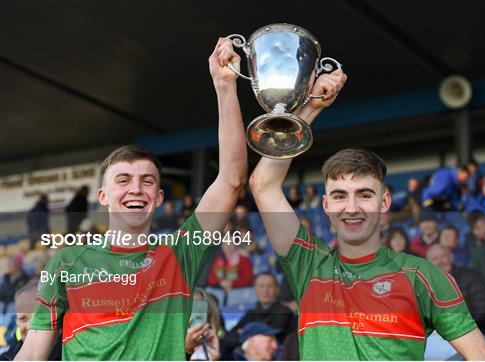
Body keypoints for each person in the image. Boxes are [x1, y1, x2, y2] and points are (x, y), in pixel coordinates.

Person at [16, 37, 248, 360]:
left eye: (147, 181)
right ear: (103, 197)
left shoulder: (179, 255)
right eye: (123, 180)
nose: (136, 189)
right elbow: (32, 354)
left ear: (158, 197)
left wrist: (225, 86)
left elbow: (231, 180)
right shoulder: (66, 263)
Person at [249, 72, 485, 358]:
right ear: (326, 205)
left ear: (384, 201)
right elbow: (263, 185)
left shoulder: (423, 276)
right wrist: (312, 106)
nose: (351, 207)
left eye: (364, 195)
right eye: (340, 196)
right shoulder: (308, 266)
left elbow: (484, 356)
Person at [426, 244, 485, 334]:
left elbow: (484, 312)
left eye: (443, 256)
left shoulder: (471, 276)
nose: (440, 261)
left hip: (482, 333)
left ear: (451, 257)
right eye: (434, 259)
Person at [223, 273, 293, 353]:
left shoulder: (285, 312)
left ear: (277, 289)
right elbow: (229, 339)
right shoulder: (250, 314)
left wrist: (244, 332)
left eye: (270, 286)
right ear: (255, 289)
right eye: (261, 286)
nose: (265, 290)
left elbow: (273, 335)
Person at [0, 281, 61, 360]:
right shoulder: (6, 357)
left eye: (38, 317)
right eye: (23, 319)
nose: (30, 326)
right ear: (16, 321)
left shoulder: (72, 356)